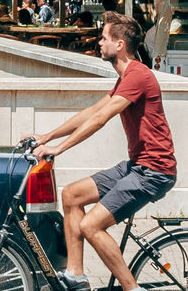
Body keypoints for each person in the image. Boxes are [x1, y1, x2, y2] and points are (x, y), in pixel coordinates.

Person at [22, 14, 175, 291]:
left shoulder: (138, 75)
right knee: (71, 195)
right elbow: (92, 112)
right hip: (137, 165)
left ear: (119, 44)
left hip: (154, 171)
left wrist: (59, 148)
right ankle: (75, 275)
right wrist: (47, 136)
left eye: (104, 38)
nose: (99, 42)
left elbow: (100, 119)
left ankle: (132, 288)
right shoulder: (125, 78)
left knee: (91, 225)